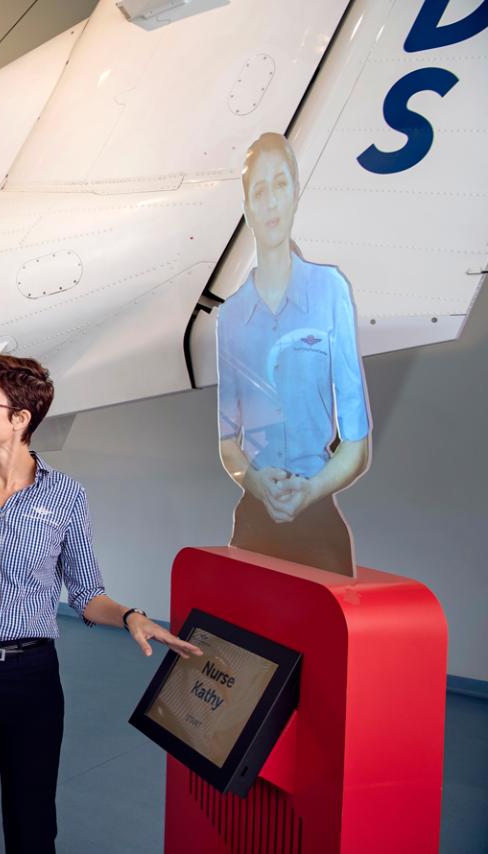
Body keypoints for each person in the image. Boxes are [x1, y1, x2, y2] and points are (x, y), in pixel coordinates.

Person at [0, 354, 201, 854]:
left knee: (32, 818)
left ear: (20, 419)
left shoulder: (65, 495)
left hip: (29, 678)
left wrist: (129, 616)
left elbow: (87, 594)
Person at [216, 132, 371, 576]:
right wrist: (256, 484)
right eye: (258, 191)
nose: (270, 203)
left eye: (280, 185)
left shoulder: (330, 292)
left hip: (317, 517)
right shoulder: (231, 317)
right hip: (254, 516)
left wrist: (311, 489)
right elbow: (229, 443)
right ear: (246, 205)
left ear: (296, 193)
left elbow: (356, 442)